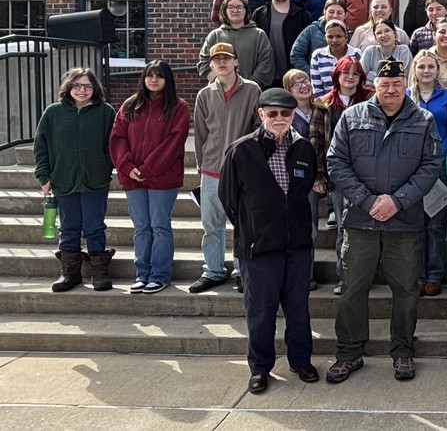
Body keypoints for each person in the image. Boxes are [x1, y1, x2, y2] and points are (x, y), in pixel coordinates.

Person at [326, 59, 443, 385]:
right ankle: (349, 354)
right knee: (352, 290)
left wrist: (397, 201)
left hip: (403, 223)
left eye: (397, 84)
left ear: (405, 84)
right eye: (384, 84)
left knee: (406, 291)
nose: (391, 90)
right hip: (361, 222)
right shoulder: (352, 117)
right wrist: (367, 200)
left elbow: (431, 165)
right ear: (375, 85)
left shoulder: (423, 120)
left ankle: (403, 351)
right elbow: (336, 162)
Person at [219, 88, 319, 395]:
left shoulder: (304, 149)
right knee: (260, 312)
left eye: (285, 114)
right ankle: (260, 368)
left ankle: (301, 360)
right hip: (259, 247)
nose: (279, 118)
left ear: (293, 116)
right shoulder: (241, 150)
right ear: (261, 114)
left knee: (298, 308)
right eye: (272, 113)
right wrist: (253, 228)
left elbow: (306, 194)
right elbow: (229, 199)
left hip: (298, 245)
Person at [109, 61, 190, 295]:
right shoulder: (130, 105)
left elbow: (174, 142)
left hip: (162, 178)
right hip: (132, 177)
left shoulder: (177, 107)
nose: (154, 80)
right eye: (150, 75)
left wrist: (147, 168)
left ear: (168, 80)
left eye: (160, 76)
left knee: (159, 225)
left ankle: (159, 275)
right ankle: (142, 274)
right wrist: (127, 165)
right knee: (141, 227)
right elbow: (117, 137)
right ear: (143, 78)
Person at [34, 68, 116, 292]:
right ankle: (70, 273)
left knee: (94, 226)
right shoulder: (53, 113)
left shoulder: (105, 112)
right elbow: (41, 147)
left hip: (95, 181)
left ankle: (99, 272)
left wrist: (106, 166)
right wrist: (44, 176)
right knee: (68, 227)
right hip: (63, 180)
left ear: (94, 89)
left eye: (87, 86)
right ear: (68, 87)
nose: (82, 90)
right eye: (77, 85)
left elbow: (114, 143)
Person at [190, 42, 261, 294]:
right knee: (211, 225)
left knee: (242, 224)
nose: (222, 63)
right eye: (217, 59)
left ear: (236, 62)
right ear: (211, 64)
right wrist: (202, 165)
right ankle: (213, 270)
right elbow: (200, 133)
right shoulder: (205, 95)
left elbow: (257, 127)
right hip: (211, 170)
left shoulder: (252, 90)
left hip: (241, 171)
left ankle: (242, 270)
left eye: (227, 58)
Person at [309, 57, 374, 294]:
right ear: (336, 76)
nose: (350, 77)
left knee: (364, 230)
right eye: (345, 72)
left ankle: (363, 277)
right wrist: (318, 176)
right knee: (343, 229)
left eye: (355, 74)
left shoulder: (371, 100)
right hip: (337, 176)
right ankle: (343, 277)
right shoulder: (323, 104)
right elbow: (315, 141)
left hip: (368, 176)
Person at [407, 50, 447, 296]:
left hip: (440, 165)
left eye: (431, 67)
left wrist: (441, 155)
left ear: (437, 70)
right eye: (422, 67)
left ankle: (436, 274)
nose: (426, 71)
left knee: (436, 223)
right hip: (411, 168)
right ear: (415, 70)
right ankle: (418, 275)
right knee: (416, 222)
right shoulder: (406, 96)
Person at [282, 69, 320, 290]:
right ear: (289, 90)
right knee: (297, 227)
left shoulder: (320, 110)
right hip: (293, 179)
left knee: (311, 228)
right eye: (297, 84)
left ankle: (308, 273)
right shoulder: (285, 114)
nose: (303, 85)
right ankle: (298, 275)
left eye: (305, 80)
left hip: (317, 177)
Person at [198, 0, 274, 89]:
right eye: (230, 7)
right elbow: (204, 63)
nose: (235, 10)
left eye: (239, 7)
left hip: (251, 92)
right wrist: (220, 82)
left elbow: (266, 62)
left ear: (246, 11)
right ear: (224, 11)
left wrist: (249, 85)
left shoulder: (259, 35)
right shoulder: (215, 35)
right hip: (220, 91)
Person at [252, 0, 313, 86]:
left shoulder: (303, 15)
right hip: (266, 76)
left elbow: (309, 47)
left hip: (294, 77)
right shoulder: (259, 14)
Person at [290, 0, 349, 74]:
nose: (335, 15)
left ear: (345, 15)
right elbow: (296, 55)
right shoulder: (312, 30)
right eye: (331, 12)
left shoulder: (349, 34)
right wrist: (312, 73)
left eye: (339, 13)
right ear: (324, 12)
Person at [310, 19, 362, 98]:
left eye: (339, 36)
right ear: (325, 38)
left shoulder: (356, 54)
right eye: (330, 37)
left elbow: (361, 81)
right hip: (327, 102)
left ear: (346, 37)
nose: (334, 40)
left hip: (354, 99)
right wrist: (322, 106)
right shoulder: (318, 55)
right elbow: (317, 87)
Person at [360, 19, 413, 85]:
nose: (383, 35)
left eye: (387, 31)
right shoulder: (369, 52)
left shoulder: (403, 51)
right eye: (379, 33)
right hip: (371, 92)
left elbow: (403, 80)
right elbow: (361, 79)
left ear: (395, 34)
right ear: (375, 38)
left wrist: (373, 77)